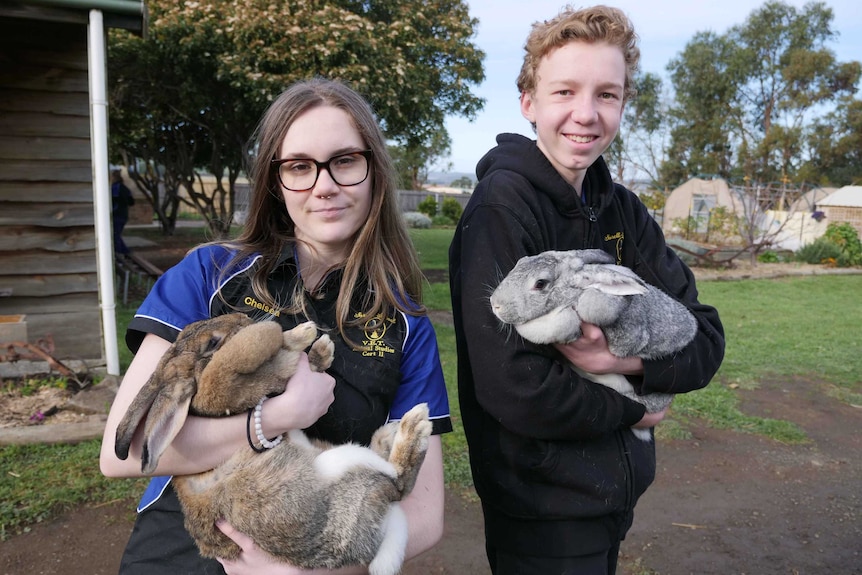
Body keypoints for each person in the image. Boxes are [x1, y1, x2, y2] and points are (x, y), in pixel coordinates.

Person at [100, 78, 452, 575]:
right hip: (177, 559)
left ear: (374, 170)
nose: (324, 185)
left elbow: (425, 514)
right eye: (300, 167)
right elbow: (123, 453)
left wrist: (311, 573)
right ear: (275, 181)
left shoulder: (405, 322)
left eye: (345, 161)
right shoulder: (208, 275)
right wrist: (275, 418)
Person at [448, 6, 725, 574]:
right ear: (529, 102)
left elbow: (706, 336)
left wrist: (630, 363)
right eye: (565, 91)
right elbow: (514, 385)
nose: (586, 113)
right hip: (541, 505)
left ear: (624, 103)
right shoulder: (503, 209)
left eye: (607, 94)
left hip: (614, 493)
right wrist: (633, 413)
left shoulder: (621, 209)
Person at [111, 169, 135, 256]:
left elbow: (113, 200)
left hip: (116, 214)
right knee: (116, 234)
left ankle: (121, 252)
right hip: (124, 214)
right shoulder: (126, 189)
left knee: (115, 234)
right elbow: (131, 202)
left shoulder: (114, 188)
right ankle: (124, 251)